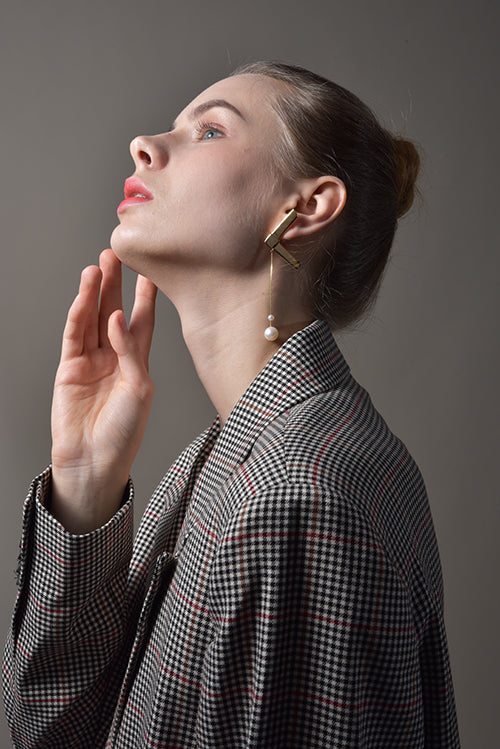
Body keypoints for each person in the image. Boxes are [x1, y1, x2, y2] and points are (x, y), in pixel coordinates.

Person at [3, 62, 459, 747]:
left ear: (305, 207)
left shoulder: (294, 500)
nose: (144, 144)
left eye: (210, 128)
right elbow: (54, 729)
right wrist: (86, 486)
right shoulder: (249, 451)